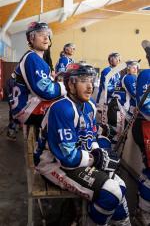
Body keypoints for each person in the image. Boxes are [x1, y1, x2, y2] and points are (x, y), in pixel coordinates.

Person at [36, 63, 131, 226]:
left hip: (76, 160)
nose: (90, 86)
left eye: (91, 80)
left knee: (121, 185)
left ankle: (122, 223)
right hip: (52, 165)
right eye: (83, 80)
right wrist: (96, 159)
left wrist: (99, 152)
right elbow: (68, 158)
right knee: (111, 193)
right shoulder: (62, 108)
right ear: (71, 85)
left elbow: (90, 138)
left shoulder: (90, 106)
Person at [11, 21, 66, 127]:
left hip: (27, 104)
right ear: (31, 38)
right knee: (67, 109)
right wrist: (65, 86)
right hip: (25, 109)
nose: (46, 38)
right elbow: (46, 92)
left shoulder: (36, 59)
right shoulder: (32, 58)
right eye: (41, 35)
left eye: (47, 35)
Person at [132, 43, 150, 226]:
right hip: (145, 126)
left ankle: (143, 207)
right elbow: (145, 105)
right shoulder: (146, 74)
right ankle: (143, 211)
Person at [107, 60, 139, 149]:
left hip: (115, 108)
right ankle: (112, 157)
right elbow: (135, 94)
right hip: (120, 109)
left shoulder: (123, 77)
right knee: (117, 136)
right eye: (133, 67)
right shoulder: (130, 77)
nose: (136, 69)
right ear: (128, 68)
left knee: (115, 135)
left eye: (136, 67)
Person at [96, 52, 121, 125]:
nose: (117, 60)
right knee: (103, 122)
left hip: (111, 100)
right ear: (110, 60)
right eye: (114, 58)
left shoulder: (117, 72)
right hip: (104, 99)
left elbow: (118, 86)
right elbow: (107, 87)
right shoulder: (106, 71)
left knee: (109, 121)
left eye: (118, 59)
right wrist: (117, 92)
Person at [6, 72, 18, 140]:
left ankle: (12, 130)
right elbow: (8, 90)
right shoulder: (11, 80)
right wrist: (11, 99)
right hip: (13, 101)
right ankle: (10, 133)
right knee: (13, 115)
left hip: (15, 100)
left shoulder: (17, 80)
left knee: (14, 115)